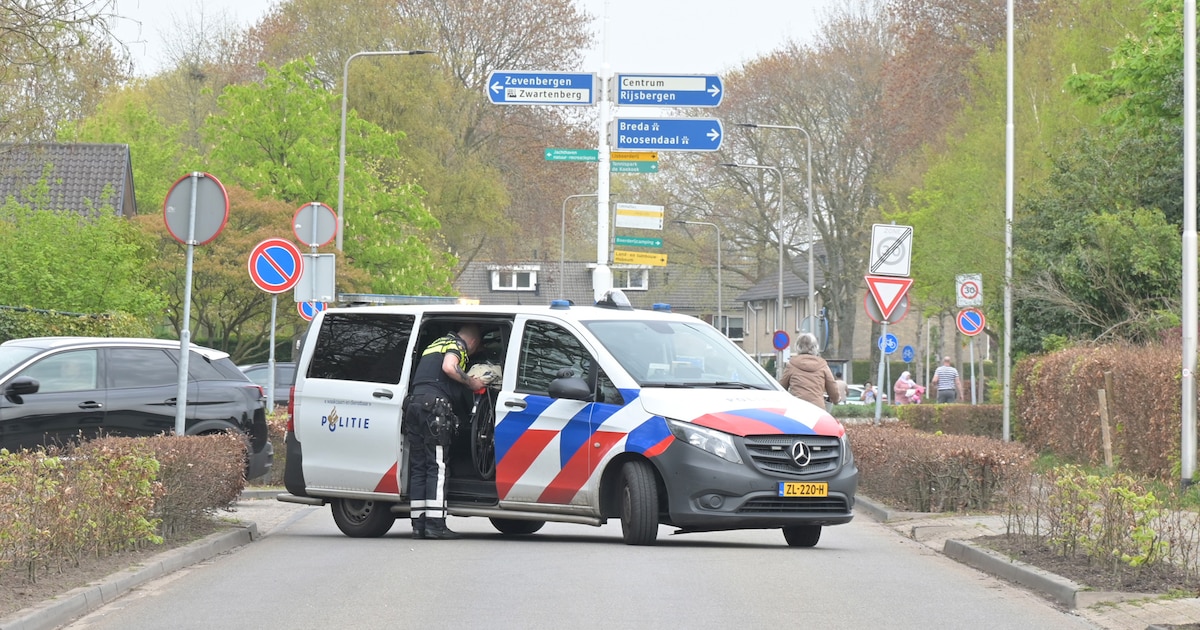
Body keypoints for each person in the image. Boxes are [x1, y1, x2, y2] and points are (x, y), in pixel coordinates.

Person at [405, 324, 485, 540]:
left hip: (414, 405)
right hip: (434, 408)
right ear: (474, 343)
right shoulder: (456, 345)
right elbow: (450, 368)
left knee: (419, 466)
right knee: (437, 466)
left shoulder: (434, 344)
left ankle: (419, 524)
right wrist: (471, 382)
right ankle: (435, 525)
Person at [779, 333, 841, 408]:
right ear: (815, 347)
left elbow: (781, 388)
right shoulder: (822, 365)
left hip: (797, 408)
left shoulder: (791, 365)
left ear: (797, 347)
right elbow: (832, 386)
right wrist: (836, 399)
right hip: (817, 409)